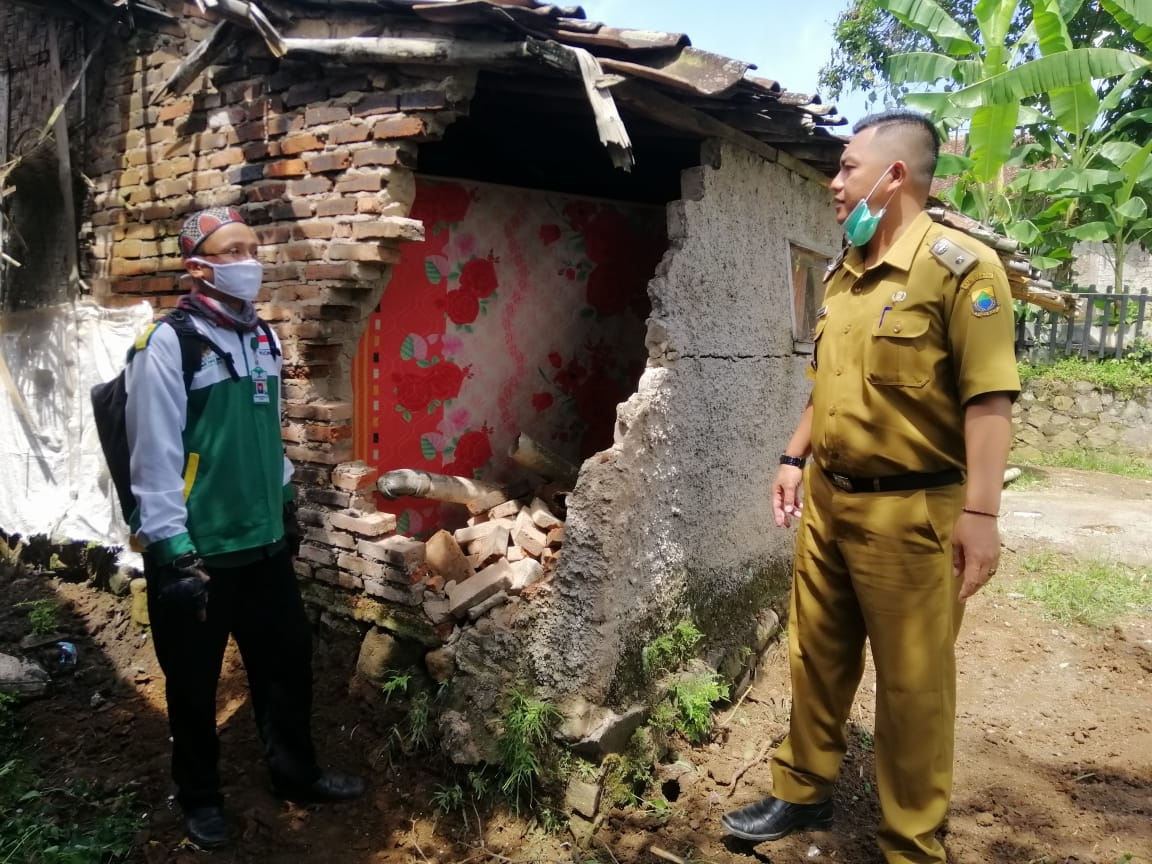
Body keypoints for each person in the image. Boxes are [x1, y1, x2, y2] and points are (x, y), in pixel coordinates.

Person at [721, 110, 1020, 863]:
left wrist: (981, 513)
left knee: (914, 688)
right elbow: (830, 385)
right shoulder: (845, 270)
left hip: (913, 512)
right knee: (813, 656)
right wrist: (794, 458)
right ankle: (802, 791)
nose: (833, 181)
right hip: (830, 499)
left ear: (893, 176)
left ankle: (911, 840)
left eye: (848, 166)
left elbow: (989, 400)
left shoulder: (961, 269)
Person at [125, 207, 364, 849]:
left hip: (262, 545)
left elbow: (268, 431)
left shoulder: (263, 339)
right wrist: (172, 553)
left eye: (253, 247)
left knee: (287, 662)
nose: (249, 260)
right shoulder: (168, 343)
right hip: (198, 552)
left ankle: (295, 773)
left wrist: (284, 499)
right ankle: (200, 797)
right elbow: (153, 457)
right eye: (234, 250)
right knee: (195, 683)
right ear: (199, 265)